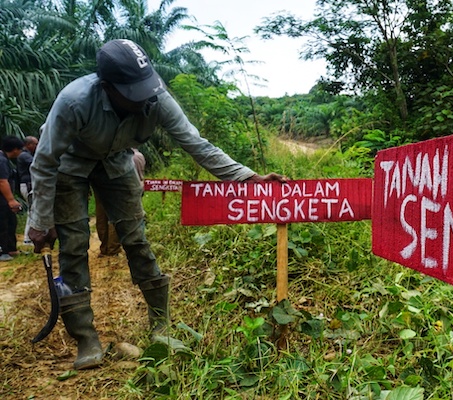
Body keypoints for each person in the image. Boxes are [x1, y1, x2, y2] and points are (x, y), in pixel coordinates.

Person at [28, 39, 286, 370]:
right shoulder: (75, 102)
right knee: (74, 246)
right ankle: (86, 338)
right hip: (68, 166)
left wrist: (249, 179)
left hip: (117, 162)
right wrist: (40, 218)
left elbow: (196, 143)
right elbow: (45, 161)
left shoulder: (155, 97)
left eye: (146, 86)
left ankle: (160, 322)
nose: (144, 96)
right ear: (107, 87)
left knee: (136, 238)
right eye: (132, 90)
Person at [95, 147, 144, 256]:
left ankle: (104, 248)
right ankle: (113, 248)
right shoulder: (136, 157)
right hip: (121, 188)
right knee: (117, 218)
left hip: (100, 186)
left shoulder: (105, 154)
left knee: (101, 217)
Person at [0, 136, 24, 261]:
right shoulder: (1, 160)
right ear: (15, 149)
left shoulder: (4, 159)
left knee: (11, 221)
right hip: (2, 198)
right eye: (20, 149)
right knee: (3, 223)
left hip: (4, 198)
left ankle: (11, 248)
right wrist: (11, 200)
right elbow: (2, 181)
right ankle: (2, 250)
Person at [17, 135, 38, 245]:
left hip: (27, 185)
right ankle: (27, 238)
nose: (37, 146)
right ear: (28, 144)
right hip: (28, 186)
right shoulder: (24, 155)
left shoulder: (26, 154)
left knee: (33, 211)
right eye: (35, 144)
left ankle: (28, 237)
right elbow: (37, 164)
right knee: (32, 211)